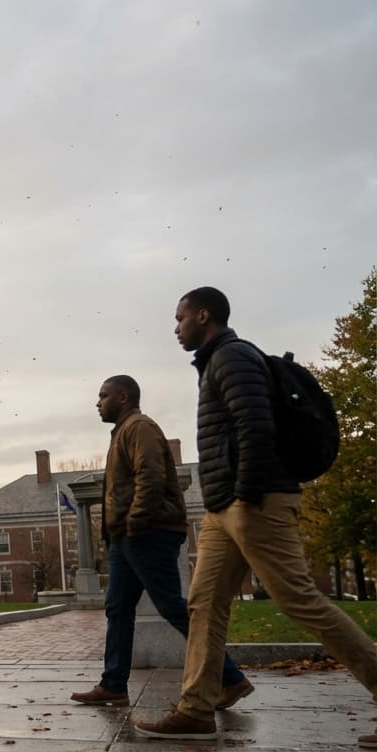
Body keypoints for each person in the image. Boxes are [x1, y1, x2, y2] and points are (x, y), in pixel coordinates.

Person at [135, 287, 377, 745]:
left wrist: (245, 495)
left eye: (180, 318)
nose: (176, 327)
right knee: (204, 604)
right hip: (223, 509)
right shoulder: (215, 362)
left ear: (203, 315)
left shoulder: (233, 357)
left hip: (255, 501)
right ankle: (196, 709)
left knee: (299, 600)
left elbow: (256, 426)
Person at [70, 376, 251, 709]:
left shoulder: (140, 428)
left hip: (146, 533)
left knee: (171, 605)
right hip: (126, 538)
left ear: (123, 398)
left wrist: (136, 522)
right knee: (118, 607)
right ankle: (113, 685)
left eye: (103, 396)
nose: (98, 403)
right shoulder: (123, 431)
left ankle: (231, 678)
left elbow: (150, 476)